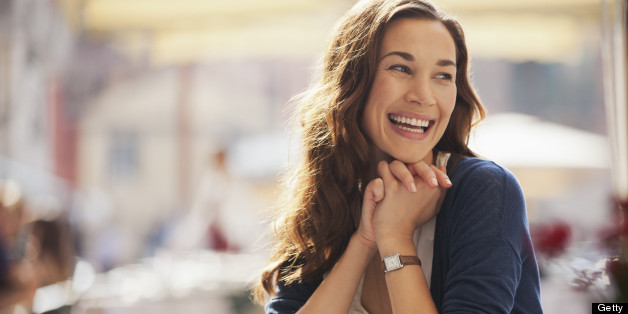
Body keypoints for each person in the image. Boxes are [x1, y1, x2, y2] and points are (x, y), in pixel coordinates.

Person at [253, 0, 543, 313]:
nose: (424, 95)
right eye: (401, 68)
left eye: (443, 75)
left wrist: (395, 236)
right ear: (353, 82)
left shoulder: (485, 191)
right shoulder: (327, 198)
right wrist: (363, 242)